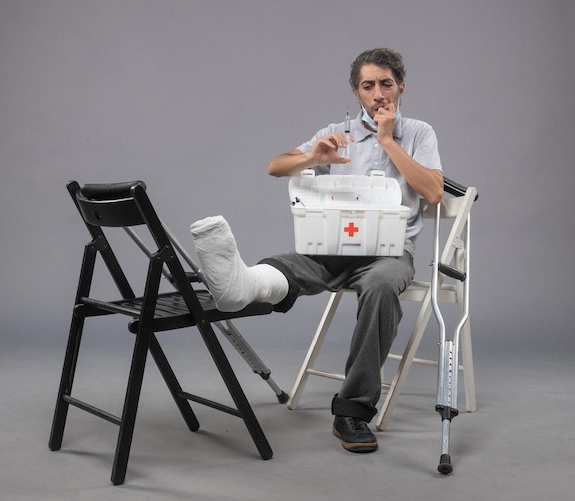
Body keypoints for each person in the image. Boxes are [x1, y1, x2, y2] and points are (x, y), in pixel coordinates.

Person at [190, 48, 443, 453]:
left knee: (380, 286)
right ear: (355, 92)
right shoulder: (336, 131)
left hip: (389, 254)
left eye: (386, 84)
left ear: (401, 87)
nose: (378, 93)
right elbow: (276, 167)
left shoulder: (418, 133)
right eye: (368, 85)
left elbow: (432, 192)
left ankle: (352, 413)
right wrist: (312, 156)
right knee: (289, 264)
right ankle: (238, 286)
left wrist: (387, 140)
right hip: (333, 247)